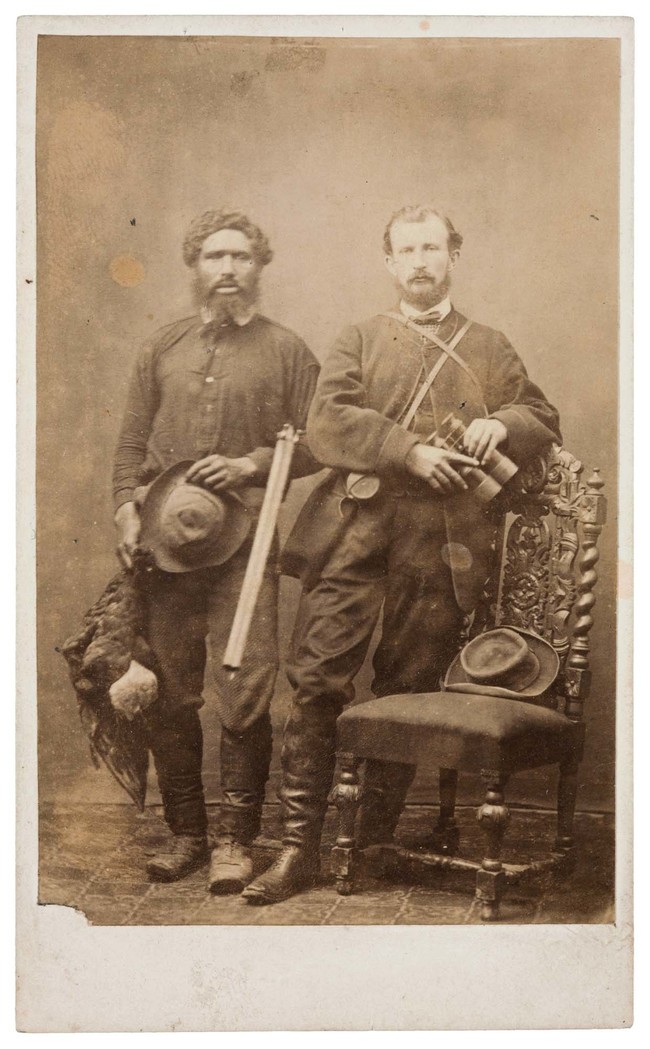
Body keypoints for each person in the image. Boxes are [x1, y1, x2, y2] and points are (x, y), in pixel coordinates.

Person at [242, 204, 562, 905]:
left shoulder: (490, 344)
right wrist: (407, 449)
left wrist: (496, 421)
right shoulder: (359, 337)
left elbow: (541, 415)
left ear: (454, 255)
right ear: (388, 263)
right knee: (316, 682)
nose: (420, 261)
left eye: (433, 247)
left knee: (407, 691)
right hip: (355, 535)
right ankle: (297, 848)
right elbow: (327, 422)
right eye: (406, 249)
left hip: (443, 548)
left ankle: (369, 840)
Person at [112, 209, 319, 890]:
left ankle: (236, 840)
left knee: (245, 689)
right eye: (213, 257)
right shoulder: (162, 347)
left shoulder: (288, 351)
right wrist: (124, 507)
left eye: (240, 258)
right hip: (164, 551)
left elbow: (320, 442)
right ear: (194, 265)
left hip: (246, 548)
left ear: (260, 265)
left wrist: (251, 465)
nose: (227, 270)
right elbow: (132, 444)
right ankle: (188, 835)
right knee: (170, 690)